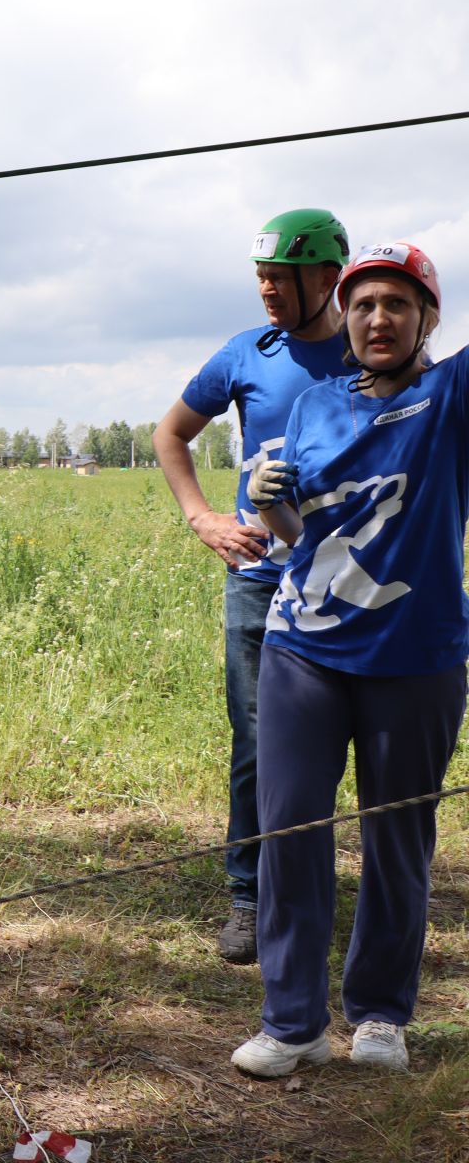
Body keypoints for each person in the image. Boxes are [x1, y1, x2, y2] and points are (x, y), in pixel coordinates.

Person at [232, 242, 462, 1078]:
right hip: (306, 648)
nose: (377, 318)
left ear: (426, 318)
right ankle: (291, 1022)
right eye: (363, 303)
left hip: (417, 654)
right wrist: (273, 506)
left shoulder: (451, 394)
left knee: (397, 837)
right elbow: (308, 542)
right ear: (345, 311)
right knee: (289, 827)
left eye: (398, 304)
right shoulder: (314, 404)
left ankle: (379, 1017)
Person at [152, 209, 353, 964]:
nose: (266, 290)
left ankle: (314, 883)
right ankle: (249, 891)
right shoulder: (246, 354)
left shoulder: (368, 346)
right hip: (259, 580)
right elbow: (170, 432)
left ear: (327, 276)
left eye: (281, 276)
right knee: (258, 739)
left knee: (340, 739)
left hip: (345, 581)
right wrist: (202, 517)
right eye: (260, 276)